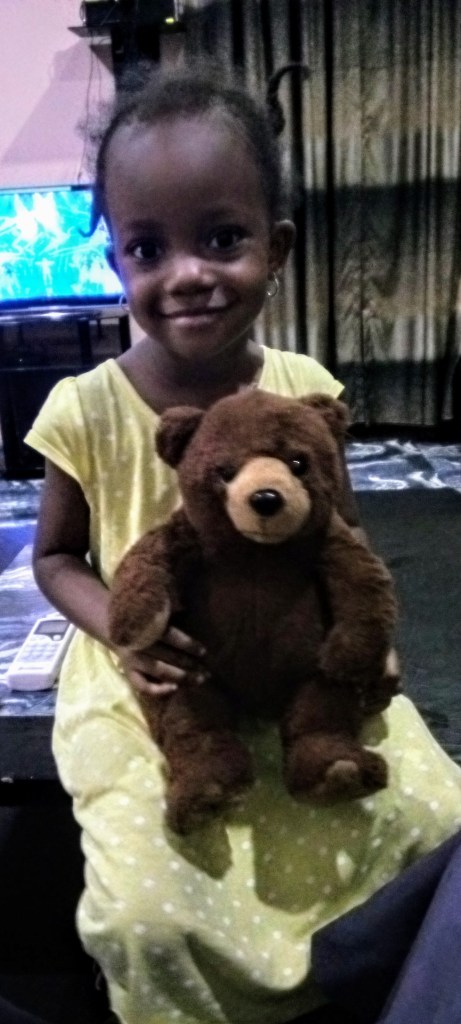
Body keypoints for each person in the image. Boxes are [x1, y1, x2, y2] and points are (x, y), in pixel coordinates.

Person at [25, 62, 461, 1024]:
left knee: (435, 817)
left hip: (301, 650)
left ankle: (376, 985)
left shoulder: (305, 386)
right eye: (148, 247)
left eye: (221, 238)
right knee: (145, 908)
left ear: (277, 247)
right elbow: (54, 559)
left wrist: (371, 638)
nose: (186, 273)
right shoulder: (84, 407)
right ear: (117, 262)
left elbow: (344, 534)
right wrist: (124, 633)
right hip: (159, 670)